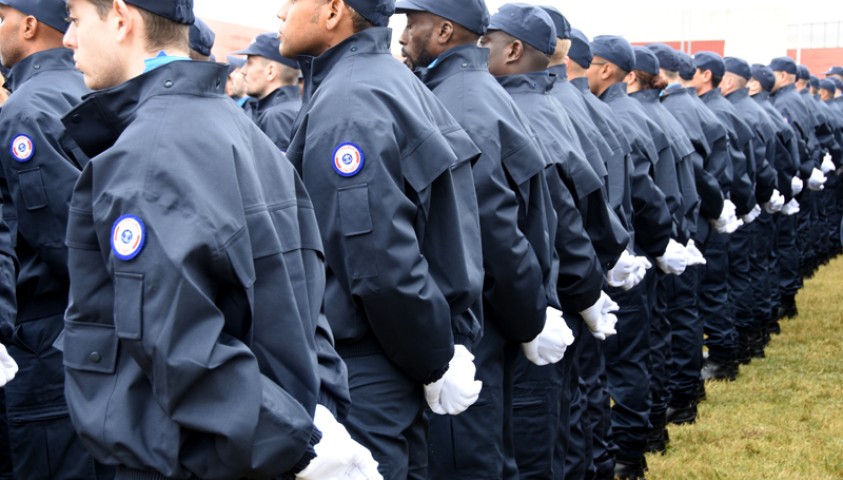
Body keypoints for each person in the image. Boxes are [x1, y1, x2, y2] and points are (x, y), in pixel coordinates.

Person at [59, 0, 379, 478]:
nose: (68, 39)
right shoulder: (239, 129)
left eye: (75, 19)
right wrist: (316, 415)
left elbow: (176, 341)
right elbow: (308, 294)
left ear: (121, 19)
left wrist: (297, 439)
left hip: (181, 453)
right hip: (248, 439)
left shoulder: (146, 154)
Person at [277, 0, 485, 478]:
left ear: (333, 11)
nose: (279, 13)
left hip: (368, 365)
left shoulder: (350, 102)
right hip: (395, 355)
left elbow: (377, 264)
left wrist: (434, 357)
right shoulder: (381, 81)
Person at [395, 1, 565, 478]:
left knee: (467, 460)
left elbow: (490, 226)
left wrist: (528, 315)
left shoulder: (459, 101)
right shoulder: (474, 90)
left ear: (445, 31)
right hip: (490, 315)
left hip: (471, 324)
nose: (405, 34)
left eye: (415, 24)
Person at [481, 6, 626, 478]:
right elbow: (591, 201)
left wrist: (582, 289)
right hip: (561, 294)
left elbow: (566, 215)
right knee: (566, 418)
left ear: (514, 49)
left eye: (486, 42)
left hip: (539, 302)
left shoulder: (522, 112)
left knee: (537, 438)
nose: (476, 51)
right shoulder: (546, 106)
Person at [0, 0, 105, 477]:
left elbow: (63, 238)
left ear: (27, 25)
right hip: (93, 329)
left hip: (50, 333)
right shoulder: (92, 88)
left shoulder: (26, 107)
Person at [587, 33, 683, 480]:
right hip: (634, 254)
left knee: (621, 361)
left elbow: (642, 195)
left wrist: (654, 244)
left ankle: (627, 453)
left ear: (606, 69)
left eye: (588, 64)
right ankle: (636, 442)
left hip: (622, 259)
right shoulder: (628, 114)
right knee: (635, 353)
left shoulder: (614, 118)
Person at [565, 28, 643, 480]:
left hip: (587, 268)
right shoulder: (605, 113)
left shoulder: (577, 111)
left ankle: (622, 454)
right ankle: (619, 455)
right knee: (595, 377)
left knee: (584, 384)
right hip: (606, 260)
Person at [650, 43, 736, 426]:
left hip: (683, 226)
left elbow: (696, 176)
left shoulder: (673, 112)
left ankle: (683, 394)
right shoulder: (696, 109)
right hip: (697, 223)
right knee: (689, 307)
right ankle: (687, 387)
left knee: (678, 312)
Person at [688, 51, 758, 381]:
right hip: (721, 212)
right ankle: (730, 347)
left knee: (713, 290)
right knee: (719, 286)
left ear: (707, 76)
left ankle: (723, 357)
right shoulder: (719, 109)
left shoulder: (714, 112)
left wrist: (729, 208)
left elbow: (726, 170)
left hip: (713, 215)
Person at [721, 56, 784, 363]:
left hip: (740, 208)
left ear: (729, 82)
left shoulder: (734, 113)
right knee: (755, 271)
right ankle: (755, 334)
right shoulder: (757, 110)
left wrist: (746, 205)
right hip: (756, 204)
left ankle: (744, 341)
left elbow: (743, 167)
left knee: (736, 279)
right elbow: (768, 163)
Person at [234, 32, 301, 151]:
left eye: (250, 63)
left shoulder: (277, 116)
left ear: (270, 72)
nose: (243, 71)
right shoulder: (291, 107)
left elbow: (273, 168)